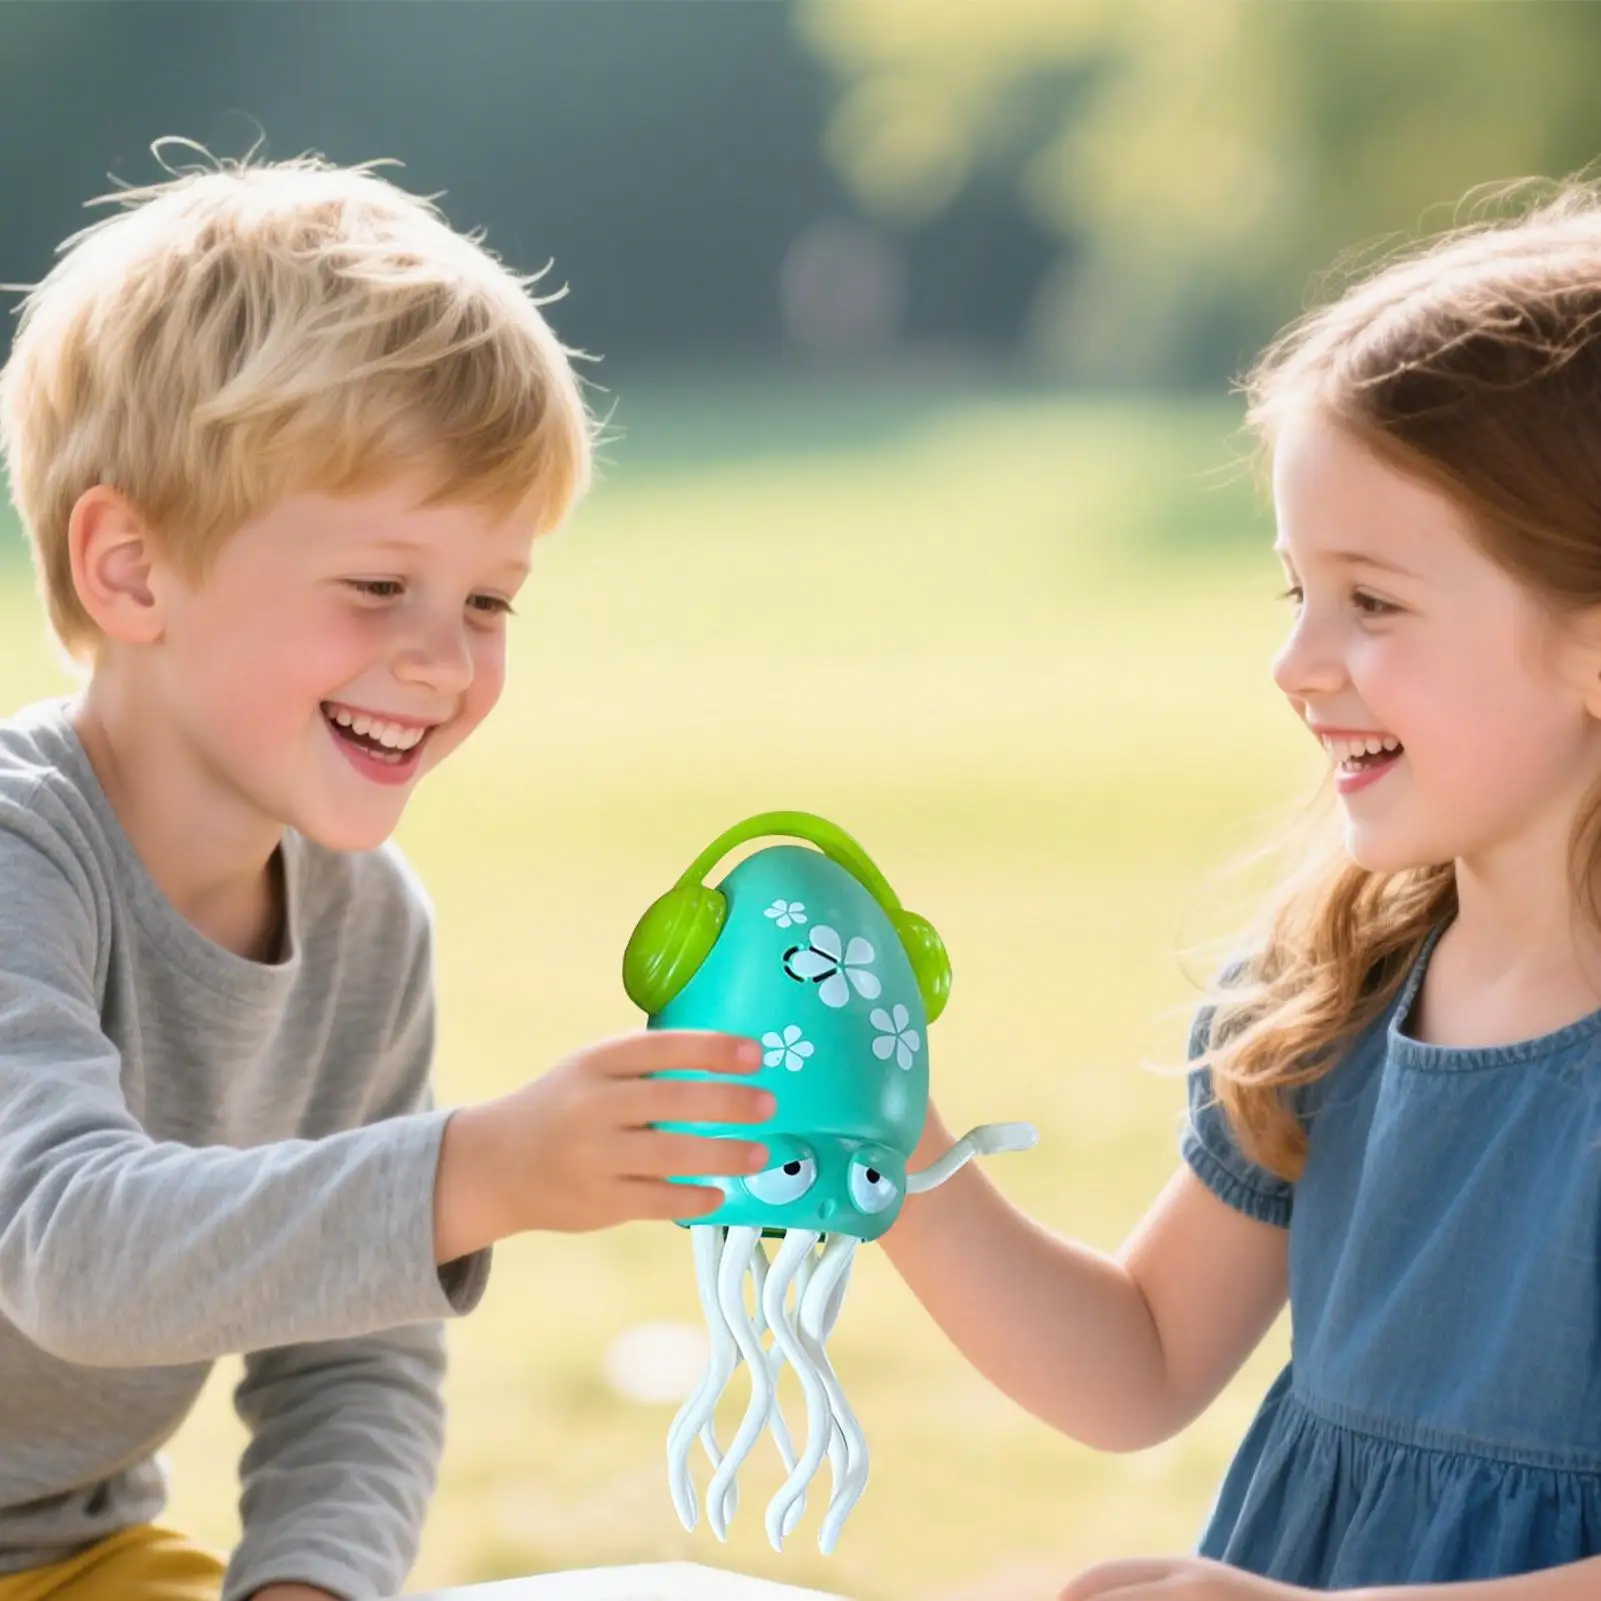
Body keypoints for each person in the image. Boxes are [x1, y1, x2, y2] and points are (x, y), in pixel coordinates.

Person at [0, 150, 773, 1601]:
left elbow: (354, 1352)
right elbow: (69, 1248)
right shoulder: (17, 855)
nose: (445, 658)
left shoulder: (363, 920)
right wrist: (475, 1171)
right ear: (132, 569)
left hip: (69, 1555)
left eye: (490, 600)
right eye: (379, 586)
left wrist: (309, 1585)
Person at [888, 177, 1601, 1601]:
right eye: (1295, 594)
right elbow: (1136, 1362)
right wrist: (892, 1138)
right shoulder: (1341, 988)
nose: (1296, 663)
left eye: (1373, 602)